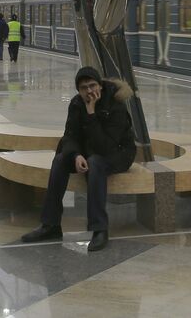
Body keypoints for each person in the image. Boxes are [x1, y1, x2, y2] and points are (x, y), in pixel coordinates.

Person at [20, 67, 136, 252]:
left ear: (100, 85)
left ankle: (99, 229)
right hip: (88, 152)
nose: (89, 91)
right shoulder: (76, 103)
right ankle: (50, 225)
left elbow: (105, 147)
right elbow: (69, 136)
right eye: (83, 88)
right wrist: (75, 155)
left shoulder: (115, 104)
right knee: (60, 160)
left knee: (96, 163)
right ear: (78, 90)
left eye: (92, 85)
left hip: (118, 154)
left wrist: (91, 113)